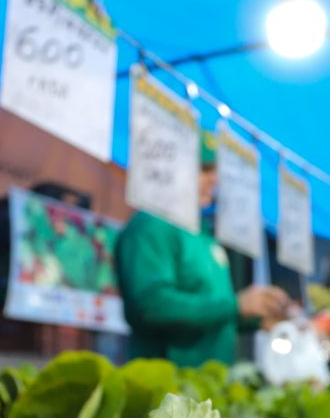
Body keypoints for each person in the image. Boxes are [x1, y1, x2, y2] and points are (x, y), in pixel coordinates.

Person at [115, 132, 290, 366]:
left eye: (215, 171)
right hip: (170, 388)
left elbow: (213, 312)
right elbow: (151, 305)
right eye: (204, 170)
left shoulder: (203, 235)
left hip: (209, 385)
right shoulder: (151, 225)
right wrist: (236, 305)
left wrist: (257, 318)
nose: (214, 180)